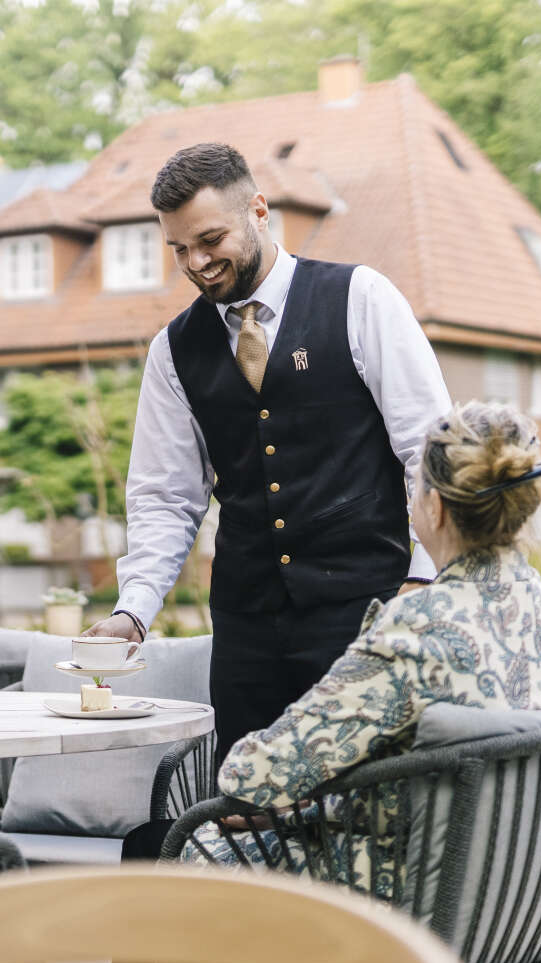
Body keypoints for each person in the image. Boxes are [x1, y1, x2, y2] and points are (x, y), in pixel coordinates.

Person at [84, 143, 451, 763]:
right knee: (249, 812)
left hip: (368, 612)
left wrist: (421, 578)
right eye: (178, 249)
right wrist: (134, 612)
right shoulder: (172, 351)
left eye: (209, 240)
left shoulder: (360, 298)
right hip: (247, 627)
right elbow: (164, 497)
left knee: (366, 803)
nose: (196, 263)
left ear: (258, 210)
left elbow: (431, 451)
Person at [198, 399, 541, 866]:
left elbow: (251, 775)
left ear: (435, 507)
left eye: (415, 488)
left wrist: (304, 797)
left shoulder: (417, 624)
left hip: (408, 904)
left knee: (199, 852)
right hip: (526, 892)